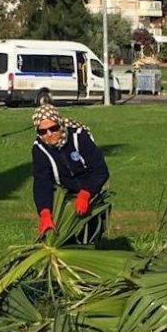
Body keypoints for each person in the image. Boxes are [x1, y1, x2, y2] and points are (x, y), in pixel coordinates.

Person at [31, 104, 109, 243]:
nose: (49, 134)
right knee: (64, 237)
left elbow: (100, 170)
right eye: (43, 131)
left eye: (53, 128)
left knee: (90, 235)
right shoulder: (39, 149)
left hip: (90, 191)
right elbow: (42, 182)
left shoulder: (79, 137)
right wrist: (44, 213)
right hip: (64, 195)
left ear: (60, 124)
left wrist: (86, 194)